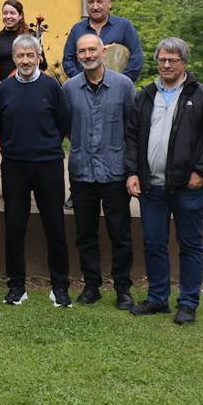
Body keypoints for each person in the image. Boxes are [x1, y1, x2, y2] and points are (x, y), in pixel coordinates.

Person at [125, 38, 203, 325]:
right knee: (154, 243)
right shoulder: (145, 96)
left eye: (172, 59)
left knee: (190, 245)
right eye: (162, 59)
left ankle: (188, 303)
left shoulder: (202, 96)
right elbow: (132, 138)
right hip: (151, 187)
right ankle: (158, 299)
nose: (167, 64)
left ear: (184, 63)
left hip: (188, 187)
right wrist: (132, 172)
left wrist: (202, 171)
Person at [0, 34, 72, 307]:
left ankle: (59, 287)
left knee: (55, 226)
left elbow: (63, 123)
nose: (25, 60)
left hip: (48, 165)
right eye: (20, 56)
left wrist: (45, 146)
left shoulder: (52, 87)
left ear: (38, 57)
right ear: (14, 58)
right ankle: (17, 287)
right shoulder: (4, 89)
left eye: (31, 55)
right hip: (14, 165)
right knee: (14, 227)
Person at [62, 33, 136, 309]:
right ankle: (91, 285)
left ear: (103, 51)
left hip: (115, 172)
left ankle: (123, 288)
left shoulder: (124, 86)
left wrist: (132, 170)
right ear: (77, 55)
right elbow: (66, 127)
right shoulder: (69, 89)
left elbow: (133, 129)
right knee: (85, 233)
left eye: (92, 50)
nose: (88, 55)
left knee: (120, 233)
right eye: (82, 52)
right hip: (82, 172)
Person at [62, 0, 143, 82]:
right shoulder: (77, 29)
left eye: (99, 2)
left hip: (117, 90)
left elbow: (136, 57)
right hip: (84, 91)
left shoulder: (124, 26)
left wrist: (121, 83)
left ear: (109, 3)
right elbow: (68, 60)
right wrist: (83, 82)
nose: (95, 7)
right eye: (91, 2)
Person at [0, 0, 47, 84]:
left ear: (20, 16)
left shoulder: (31, 36)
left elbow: (43, 66)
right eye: (5, 13)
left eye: (12, 13)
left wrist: (38, 59)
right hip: (3, 87)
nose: (8, 16)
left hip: (28, 86)